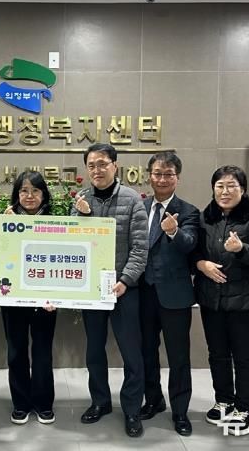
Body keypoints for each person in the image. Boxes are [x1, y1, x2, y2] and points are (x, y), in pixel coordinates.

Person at [72, 143, 148, 438]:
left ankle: (132, 409)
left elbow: (140, 248)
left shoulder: (131, 199)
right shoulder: (81, 199)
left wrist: (125, 280)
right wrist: (82, 216)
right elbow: (73, 242)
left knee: (131, 353)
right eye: (91, 165)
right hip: (92, 290)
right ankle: (100, 402)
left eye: (102, 164)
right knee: (94, 350)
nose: (97, 170)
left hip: (124, 289)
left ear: (115, 165)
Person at [194, 165, 249, 435]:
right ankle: (224, 401)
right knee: (217, 355)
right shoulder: (205, 218)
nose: (225, 191)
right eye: (220, 186)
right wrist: (201, 264)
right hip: (211, 301)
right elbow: (192, 252)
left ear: (243, 190)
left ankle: (244, 407)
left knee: (244, 357)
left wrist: (241, 249)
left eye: (232, 186)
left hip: (245, 303)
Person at [139, 152, 199, 437]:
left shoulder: (188, 211)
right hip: (143, 293)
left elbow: (190, 245)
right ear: (149, 176)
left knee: (178, 357)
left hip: (175, 296)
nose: (162, 179)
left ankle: (180, 411)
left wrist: (174, 232)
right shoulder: (140, 207)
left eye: (168, 174)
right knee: (146, 352)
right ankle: (153, 399)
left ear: (177, 177)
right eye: (157, 173)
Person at [2, 171, 57, 425]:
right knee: (16, 351)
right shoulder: (6, 221)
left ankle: (44, 403)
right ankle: (21, 403)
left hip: (46, 301)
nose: (30, 196)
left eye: (35, 190)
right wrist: (6, 230)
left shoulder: (55, 223)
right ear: (17, 195)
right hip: (14, 299)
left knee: (43, 351)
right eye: (24, 191)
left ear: (44, 195)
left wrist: (57, 295)